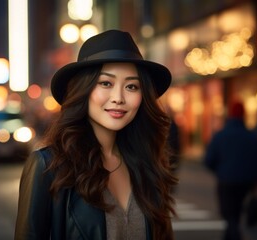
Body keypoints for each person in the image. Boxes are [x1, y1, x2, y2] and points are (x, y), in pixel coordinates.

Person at [15, 29, 178, 240]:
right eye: (106, 83)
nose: (118, 97)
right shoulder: (48, 166)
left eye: (131, 86)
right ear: (83, 90)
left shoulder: (148, 163)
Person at [204, 101, 257, 240]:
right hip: (245, 182)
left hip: (226, 181)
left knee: (229, 214)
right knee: (236, 212)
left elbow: (208, 160)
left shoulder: (220, 136)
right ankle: (232, 234)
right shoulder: (252, 137)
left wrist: (220, 170)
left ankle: (233, 234)